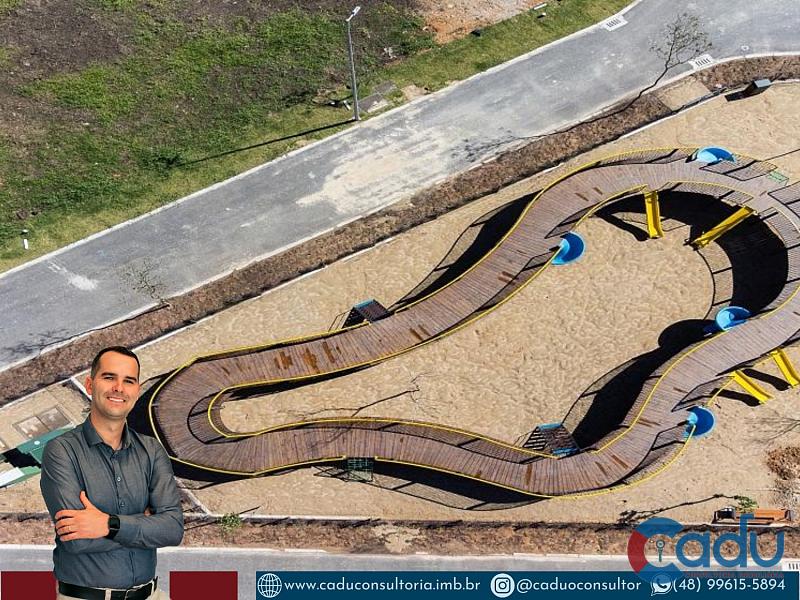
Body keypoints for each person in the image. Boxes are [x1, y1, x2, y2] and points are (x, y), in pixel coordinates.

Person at [40, 346, 184, 600]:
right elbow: (77, 540)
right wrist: (145, 523)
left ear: (136, 392)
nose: (119, 387)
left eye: (128, 381)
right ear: (89, 384)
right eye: (109, 377)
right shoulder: (61, 451)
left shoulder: (151, 451)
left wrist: (108, 524)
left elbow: (172, 529)